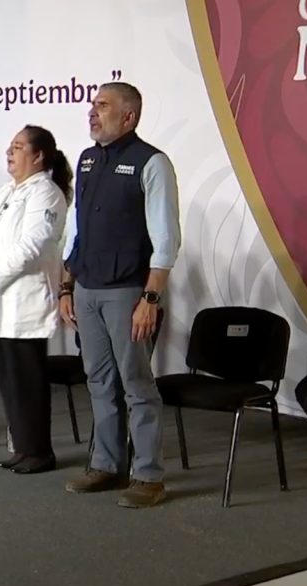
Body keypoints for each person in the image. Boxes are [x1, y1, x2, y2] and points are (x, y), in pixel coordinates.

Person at [60, 82, 181, 508]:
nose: (92, 112)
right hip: (87, 287)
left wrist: (151, 299)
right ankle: (107, 465)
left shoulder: (152, 162)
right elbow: (76, 230)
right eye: (93, 105)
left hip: (129, 291)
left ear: (128, 117)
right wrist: (66, 285)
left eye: (103, 105)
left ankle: (148, 476)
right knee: (99, 380)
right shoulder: (87, 159)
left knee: (136, 384)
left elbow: (166, 237)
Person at [0, 125, 70, 474]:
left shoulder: (47, 193)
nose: (10, 152)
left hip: (23, 301)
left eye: (19, 147)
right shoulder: (6, 191)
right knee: (9, 379)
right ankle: (23, 447)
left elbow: (30, 247)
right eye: (10, 146)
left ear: (38, 156)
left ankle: (39, 451)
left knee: (28, 381)